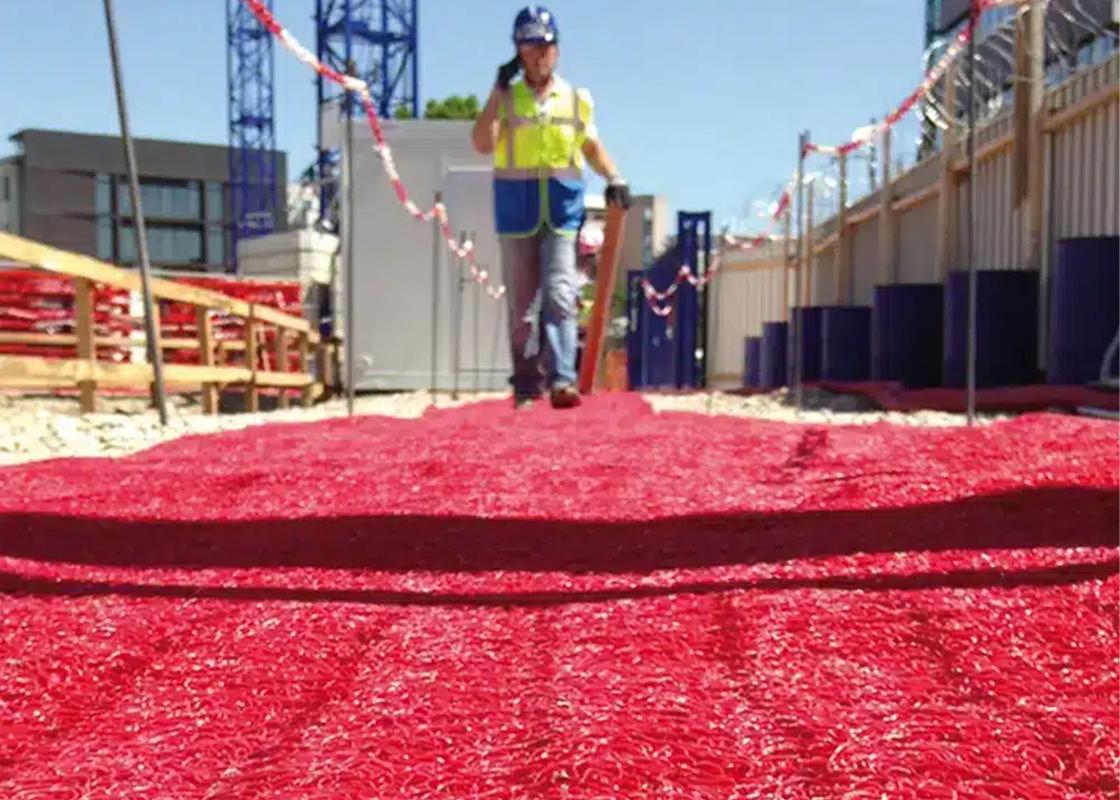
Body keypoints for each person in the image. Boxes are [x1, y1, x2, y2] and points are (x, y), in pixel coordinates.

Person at [471, 5, 631, 409]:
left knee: (561, 293)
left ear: (556, 50)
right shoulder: (506, 100)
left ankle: (562, 380)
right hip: (516, 213)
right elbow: (482, 143)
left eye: (543, 45)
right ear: (517, 52)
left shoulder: (575, 100)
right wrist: (496, 89)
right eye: (528, 46)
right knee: (524, 306)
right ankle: (527, 384)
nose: (537, 54)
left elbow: (591, 147)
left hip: (561, 212)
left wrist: (614, 177)